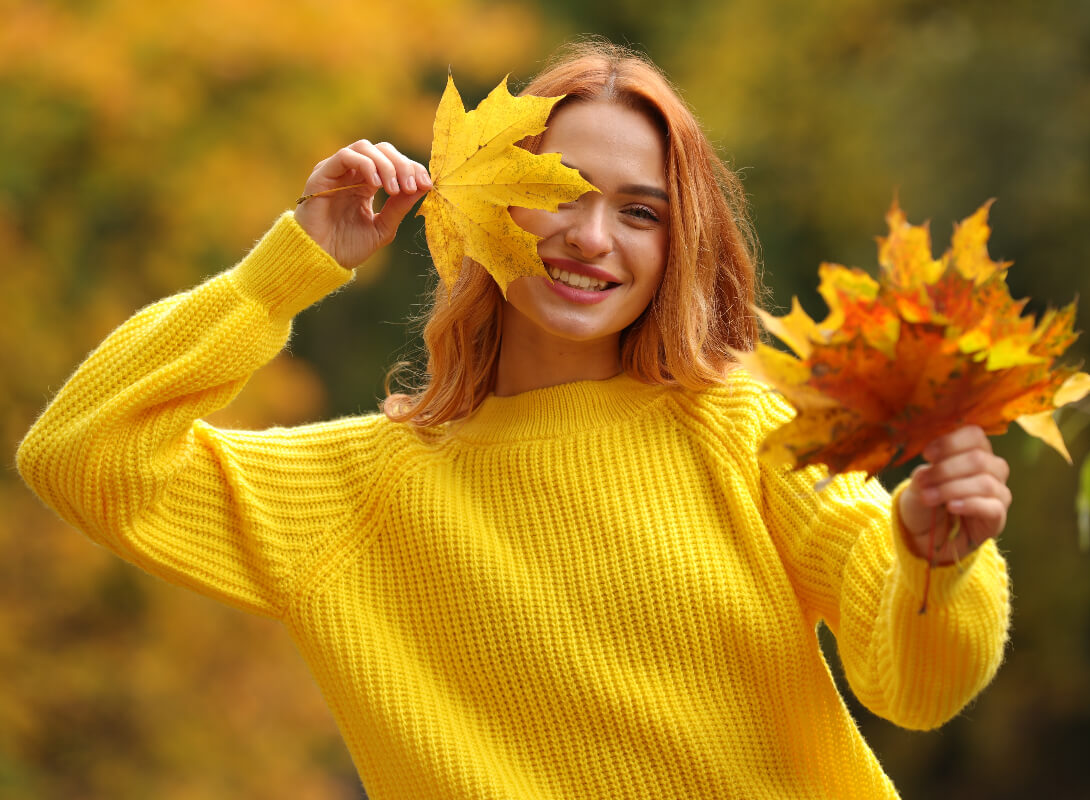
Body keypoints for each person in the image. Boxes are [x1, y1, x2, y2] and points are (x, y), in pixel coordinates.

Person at [17, 40, 1011, 800]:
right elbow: (80, 452)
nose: (590, 236)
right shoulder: (363, 489)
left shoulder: (742, 423)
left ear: (679, 244)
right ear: (487, 207)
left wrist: (934, 559)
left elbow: (918, 687)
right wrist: (291, 264)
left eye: (640, 211)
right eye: (561, 192)